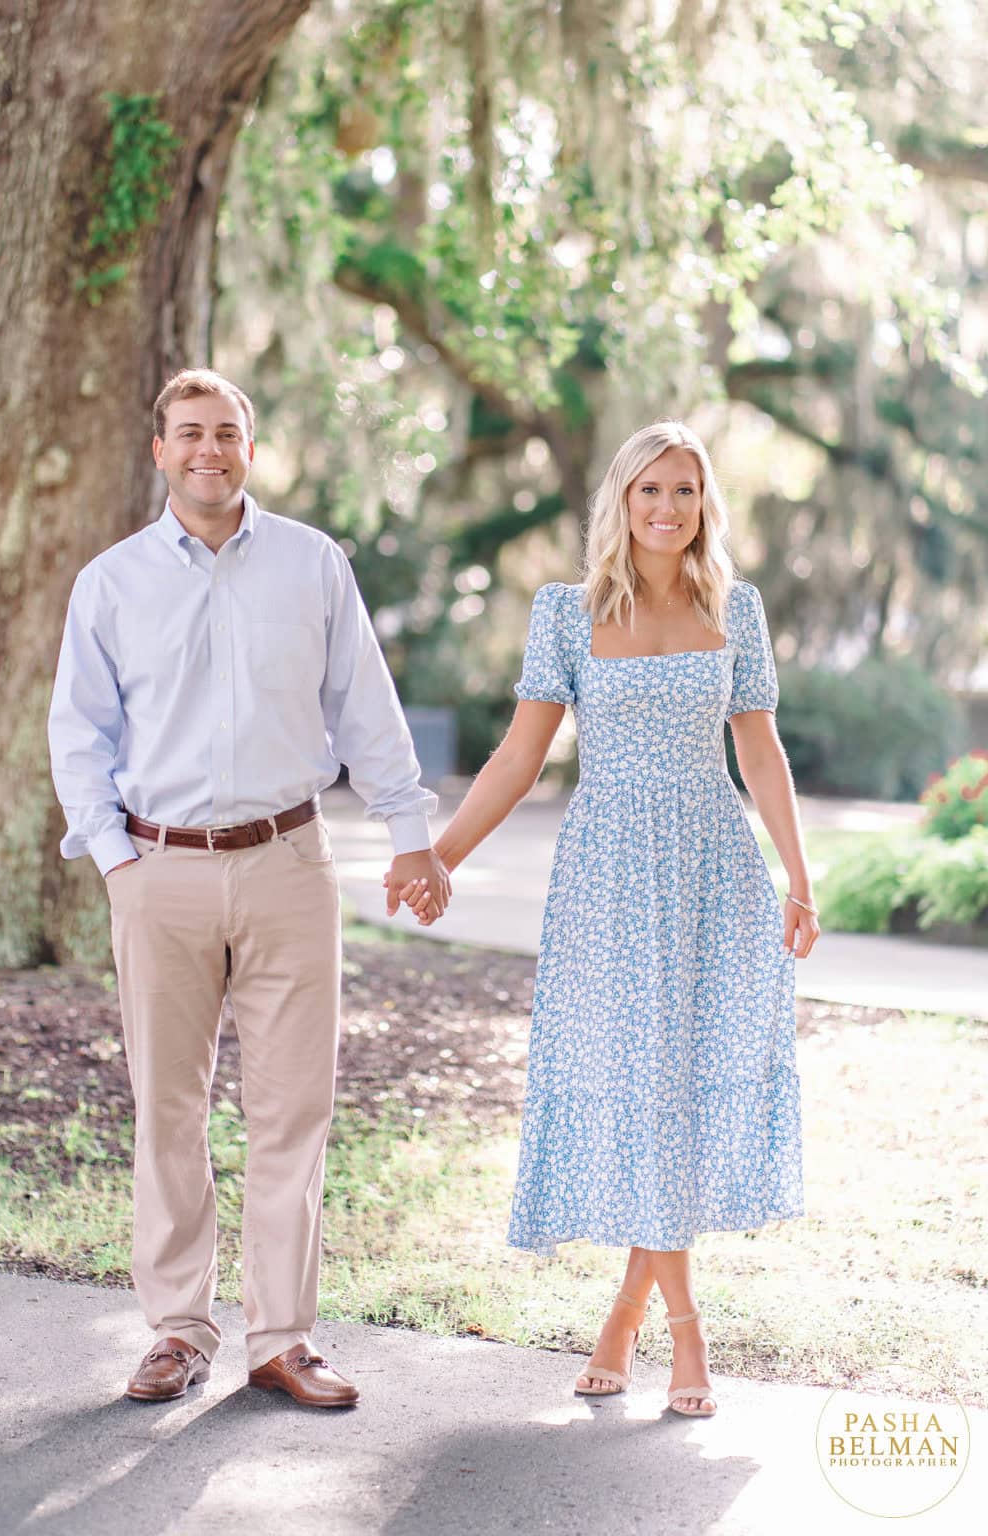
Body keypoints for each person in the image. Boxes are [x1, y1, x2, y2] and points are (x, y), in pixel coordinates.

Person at [395, 421, 818, 1417]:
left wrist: (799, 878)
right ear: (620, 504)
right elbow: (516, 758)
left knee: (675, 1089)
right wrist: (439, 857)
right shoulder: (565, 613)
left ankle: (627, 1325)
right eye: (648, 492)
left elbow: (760, 756)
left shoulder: (736, 610)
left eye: (684, 491)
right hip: (609, 879)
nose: (667, 509)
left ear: (704, 504)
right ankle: (683, 1335)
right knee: (640, 1086)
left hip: (714, 868)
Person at [48, 367, 450, 1406]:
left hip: (288, 865)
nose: (208, 451)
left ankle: (283, 1340)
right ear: (160, 451)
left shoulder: (314, 566)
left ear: (251, 448)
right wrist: (115, 860)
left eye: (226, 433)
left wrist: (411, 834)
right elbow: (79, 732)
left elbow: (367, 708)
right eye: (189, 433)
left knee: (292, 1111)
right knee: (166, 1111)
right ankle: (179, 1332)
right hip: (160, 868)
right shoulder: (113, 582)